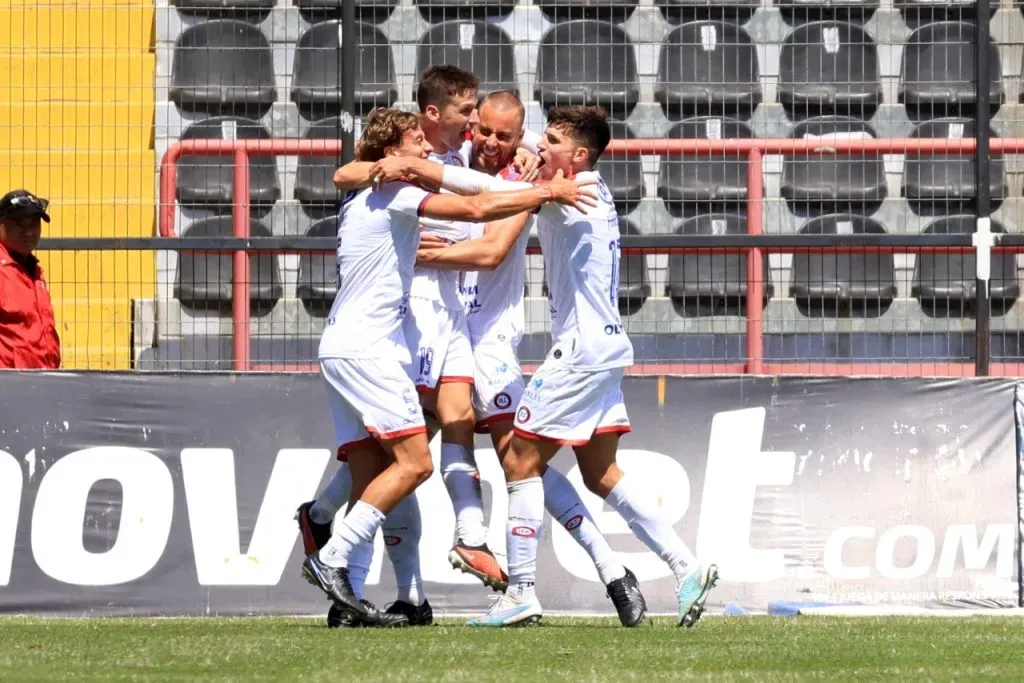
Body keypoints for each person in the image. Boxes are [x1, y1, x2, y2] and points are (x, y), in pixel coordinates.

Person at [389, 105, 720, 628]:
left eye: (551, 142)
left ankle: (520, 590)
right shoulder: (592, 189)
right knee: (601, 472)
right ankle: (686, 567)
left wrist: (417, 169)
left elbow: (484, 194)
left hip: (581, 350)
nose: (541, 149)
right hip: (608, 346)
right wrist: (529, 171)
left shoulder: (573, 194)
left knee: (520, 460)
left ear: (579, 155)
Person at [300, 107, 596, 628]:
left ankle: (353, 588)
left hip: (342, 344)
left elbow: (352, 171)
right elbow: (480, 208)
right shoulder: (400, 192)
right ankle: (334, 558)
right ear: (394, 153)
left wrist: (529, 156)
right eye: (417, 141)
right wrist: (549, 192)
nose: (428, 151)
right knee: (415, 464)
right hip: (374, 345)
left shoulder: (365, 191)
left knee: (376, 468)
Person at [327, 66, 538, 590]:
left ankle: (467, 536)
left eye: (485, 123)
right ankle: (358, 567)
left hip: (455, 317)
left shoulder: (461, 151)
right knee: (397, 455)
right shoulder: (411, 167)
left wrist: (530, 146)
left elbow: (501, 138)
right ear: (430, 117)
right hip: (413, 315)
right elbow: (350, 174)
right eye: (470, 114)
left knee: (454, 418)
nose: (478, 128)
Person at [0, 189, 60, 370]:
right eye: (19, 224)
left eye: (34, 224)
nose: (29, 233)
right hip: (10, 383)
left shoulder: (33, 270)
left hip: (40, 378)